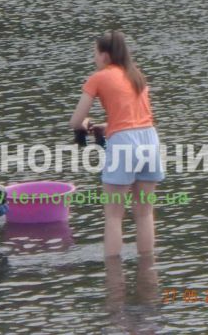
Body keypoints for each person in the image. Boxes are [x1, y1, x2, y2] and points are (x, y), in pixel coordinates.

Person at [69, 31, 165, 257]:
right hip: (149, 138)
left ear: (105, 56)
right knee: (144, 213)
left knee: (113, 215)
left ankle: (113, 276)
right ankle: (147, 269)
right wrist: (106, 125)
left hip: (124, 143)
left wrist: (85, 124)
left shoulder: (99, 77)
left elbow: (75, 121)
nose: (94, 58)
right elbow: (133, 118)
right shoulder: (136, 75)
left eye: (95, 53)